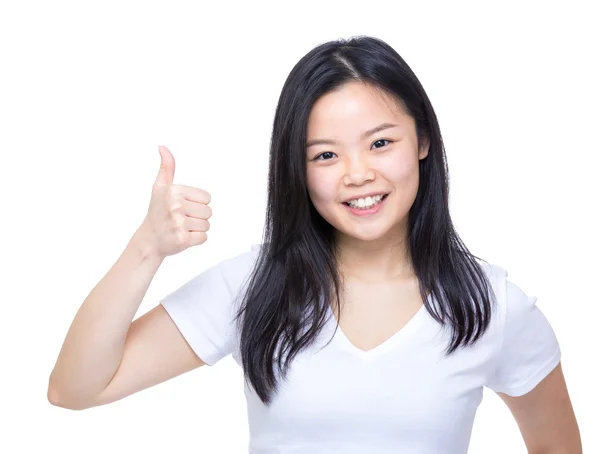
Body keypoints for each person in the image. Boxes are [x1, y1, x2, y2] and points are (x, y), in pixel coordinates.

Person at [47, 35, 581, 453]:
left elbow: (557, 445)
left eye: (380, 143)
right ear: (297, 170)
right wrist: (148, 248)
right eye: (325, 155)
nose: (357, 174)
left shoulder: (493, 304)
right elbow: (75, 389)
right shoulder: (253, 285)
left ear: (421, 141)